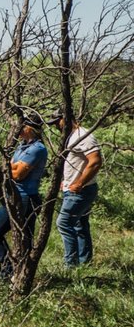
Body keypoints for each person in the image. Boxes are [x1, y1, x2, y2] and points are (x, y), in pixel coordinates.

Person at [0, 114, 47, 283]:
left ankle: (11, 273)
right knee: (3, 235)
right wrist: (11, 167)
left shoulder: (37, 148)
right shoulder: (22, 146)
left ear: (29, 128)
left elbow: (18, 174)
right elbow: (8, 166)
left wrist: (11, 168)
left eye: (22, 126)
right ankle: (12, 273)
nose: (18, 129)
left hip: (25, 197)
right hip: (15, 195)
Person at [48, 110, 103, 268]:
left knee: (64, 223)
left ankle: (70, 265)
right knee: (79, 225)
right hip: (74, 189)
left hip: (81, 191)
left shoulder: (82, 135)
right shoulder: (72, 136)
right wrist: (66, 181)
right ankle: (84, 263)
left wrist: (79, 183)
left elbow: (95, 161)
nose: (56, 126)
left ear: (66, 118)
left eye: (57, 122)